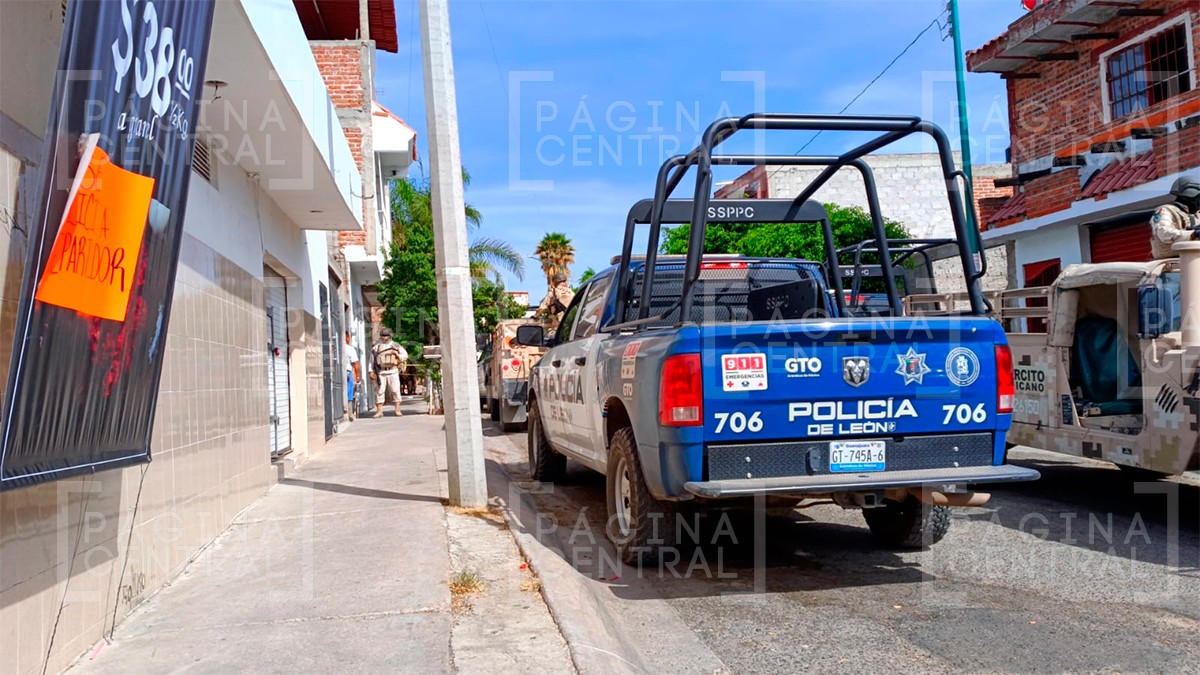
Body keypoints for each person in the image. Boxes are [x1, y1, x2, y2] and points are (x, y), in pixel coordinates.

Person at [1151, 175, 1200, 259]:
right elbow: (1164, 233)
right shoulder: (1165, 210)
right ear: (1189, 196)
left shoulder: (1196, 214)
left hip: (1194, 258)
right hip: (1170, 262)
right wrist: (1193, 234)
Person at [370, 328, 408, 417]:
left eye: (386, 335)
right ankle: (379, 411)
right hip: (381, 371)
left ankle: (397, 410)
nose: (384, 337)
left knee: (395, 390)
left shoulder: (396, 345)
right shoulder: (376, 347)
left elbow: (405, 355)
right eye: (383, 336)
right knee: (380, 391)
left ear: (390, 336)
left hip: (393, 370)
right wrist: (371, 371)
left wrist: (396, 354)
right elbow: (372, 360)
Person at [343, 332, 360, 418]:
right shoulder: (349, 348)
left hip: (338, 373)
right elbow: (355, 364)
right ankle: (349, 412)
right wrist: (357, 376)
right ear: (347, 338)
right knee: (349, 392)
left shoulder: (334, 346)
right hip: (347, 372)